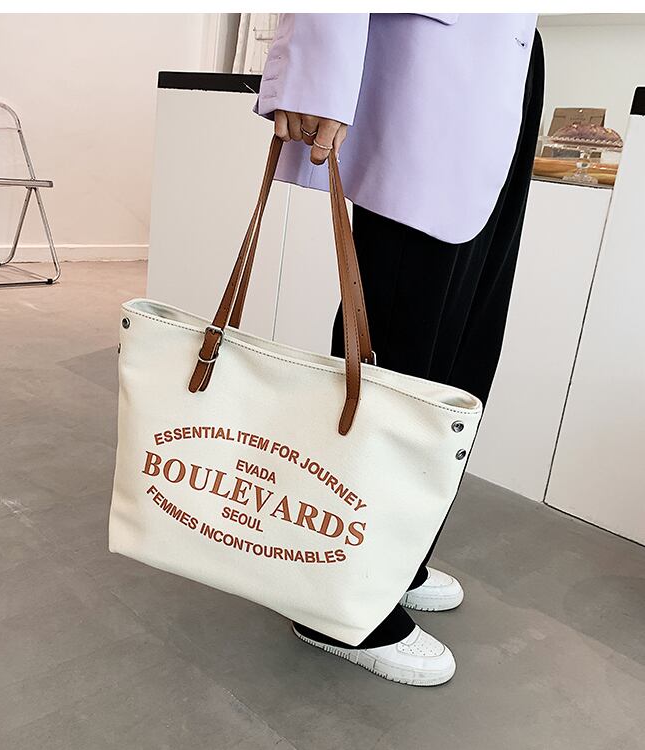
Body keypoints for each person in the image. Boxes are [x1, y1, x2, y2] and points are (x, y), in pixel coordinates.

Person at [255, 13, 544, 686]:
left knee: (462, 345)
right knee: (397, 338)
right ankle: (336, 598)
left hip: (510, 56)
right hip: (427, 55)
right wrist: (315, 71)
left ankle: (393, 557)